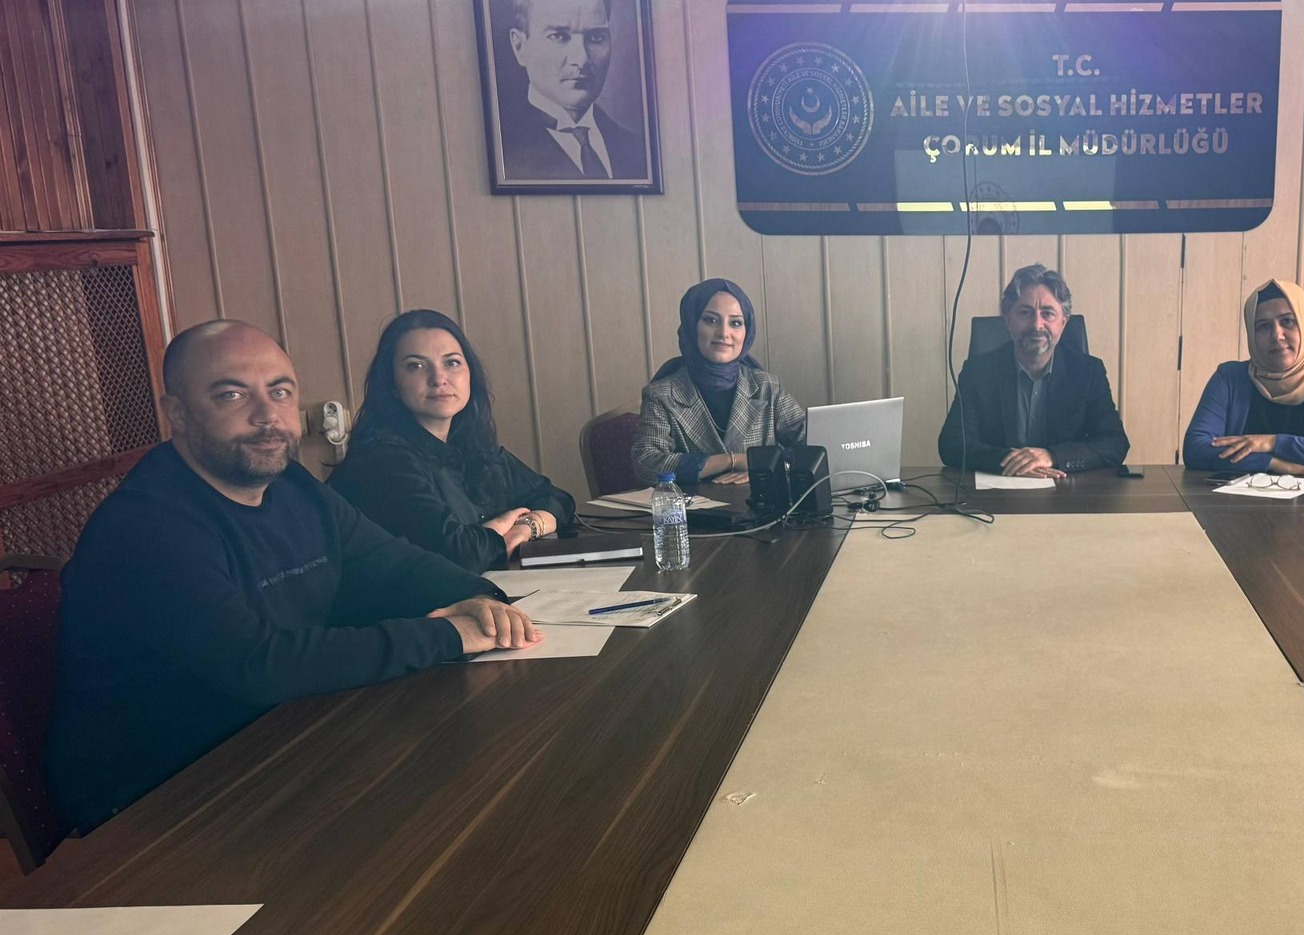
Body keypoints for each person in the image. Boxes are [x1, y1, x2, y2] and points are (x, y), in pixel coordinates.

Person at [45, 320, 540, 834]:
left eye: (280, 391)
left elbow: (393, 560)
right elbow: (260, 665)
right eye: (232, 394)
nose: (267, 416)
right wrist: (447, 635)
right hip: (157, 797)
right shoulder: (147, 526)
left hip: (282, 739)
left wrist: (478, 597)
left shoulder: (292, 486)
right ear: (178, 414)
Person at [328, 310, 574, 573]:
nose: (438, 379)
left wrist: (526, 527)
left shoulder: (472, 447)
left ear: (470, 375)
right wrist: (500, 529)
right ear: (391, 385)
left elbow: (557, 499)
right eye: (416, 366)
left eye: (452, 362)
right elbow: (460, 555)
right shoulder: (381, 459)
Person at [939, 264, 1129, 477]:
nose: (1037, 324)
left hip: (1066, 491)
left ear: (1063, 323)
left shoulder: (1088, 372)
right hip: (998, 490)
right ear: (1008, 319)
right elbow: (952, 444)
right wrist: (1014, 463)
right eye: (1025, 313)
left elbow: (1115, 443)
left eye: (1047, 313)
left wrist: (1053, 456)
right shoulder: (978, 372)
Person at [1182, 279, 1304, 476]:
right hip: (1238, 497)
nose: (1277, 335)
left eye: (1287, 321)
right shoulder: (1229, 378)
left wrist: (1271, 442)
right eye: (1263, 326)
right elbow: (1195, 449)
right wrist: (1270, 462)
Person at [632, 279, 807, 486]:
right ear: (692, 325)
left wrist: (767, 468)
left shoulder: (768, 387)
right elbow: (647, 464)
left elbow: (816, 447)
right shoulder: (661, 394)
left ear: (747, 332)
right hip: (694, 506)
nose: (724, 333)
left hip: (763, 503)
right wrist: (733, 460)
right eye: (711, 320)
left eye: (735, 323)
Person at [497, 0, 646, 181]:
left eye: (596, 38)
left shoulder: (637, 149)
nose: (581, 60)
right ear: (519, 47)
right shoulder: (502, 148)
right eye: (558, 36)